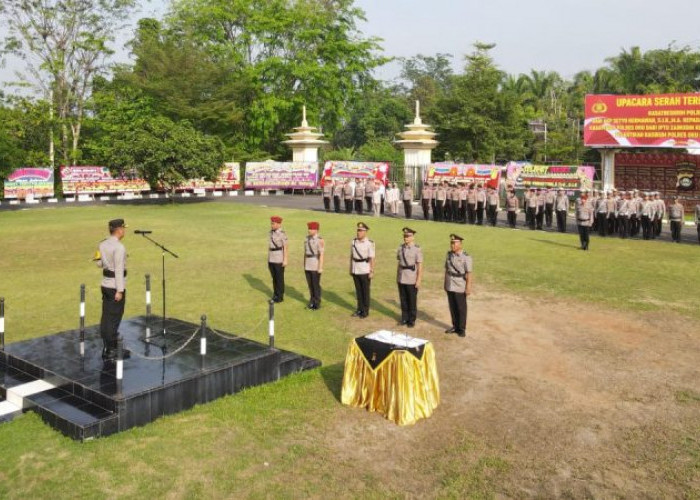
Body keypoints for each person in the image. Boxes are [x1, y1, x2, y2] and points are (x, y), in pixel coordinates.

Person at [96, 218, 130, 361]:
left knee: (106, 316)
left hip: (105, 284)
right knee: (114, 317)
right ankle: (111, 350)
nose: (124, 231)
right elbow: (118, 271)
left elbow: (99, 263)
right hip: (115, 286)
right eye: (123, 228)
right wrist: (120, 290)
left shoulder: (102, 244)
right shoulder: (119, 248)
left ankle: (107, 346)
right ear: (119, 230)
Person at [444, 234, 473, 337]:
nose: (452, 245)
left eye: (454, 243)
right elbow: (446, 270)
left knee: (461, 308)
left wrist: (468, 287)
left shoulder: (466, 257)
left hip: (460, 284)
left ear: (460, 244)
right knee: (452, 306)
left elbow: (469, 273)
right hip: (450, 283)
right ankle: (455, 326)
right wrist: (445, 283)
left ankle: (461, 328)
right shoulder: (449, 255)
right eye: (451, 243)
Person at [396, 227, 423, 328]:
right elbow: (399, 262)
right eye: (404, 236)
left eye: (407, 236)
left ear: (412, 237)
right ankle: (404, 318)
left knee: (411, 300)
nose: (405, 238)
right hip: (402, 277)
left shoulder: (417, 249)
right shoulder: (400, 248)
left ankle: (411, 320)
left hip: (412, 277)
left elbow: (420, 265)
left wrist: (419, 279)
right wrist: (398, 277)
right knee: (403, 299)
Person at [350, 222, 375, 318]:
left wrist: (371, 271)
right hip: (356, 269)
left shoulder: (369, 243)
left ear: (365, 232)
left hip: (365, 269)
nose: (358, 232)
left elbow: (372, 258)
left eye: (360, 230)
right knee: (358, 291)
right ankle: (359, 309)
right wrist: (350, 268)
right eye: (358, 230)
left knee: (365, 291)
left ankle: (365, 311)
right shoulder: (353, 242)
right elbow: (352, 256)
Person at [303, 221, 324, 309]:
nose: (309, 230)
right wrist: (304, 264)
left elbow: (321, 255)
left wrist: (320, 267)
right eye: (309, 228)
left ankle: (317, 302)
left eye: (311, 229)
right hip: (308, 264)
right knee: (310, 284)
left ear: (316, 230)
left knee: (315, 285)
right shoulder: (306, 239)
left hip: (315, 264)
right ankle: (312, 301)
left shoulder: (320, 240)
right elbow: (305, 253)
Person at [268, 216, 288, 302]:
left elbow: (286, 247)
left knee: (279, 278)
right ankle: (275, 294)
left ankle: (280, 297)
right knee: (274, 278)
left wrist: (285, 259)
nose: (271, 225)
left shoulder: (282, 234)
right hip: (271, 258)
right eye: (271, 223)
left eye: (273, 223)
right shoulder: (271, 233)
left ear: (279, 224)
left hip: (279, 258)